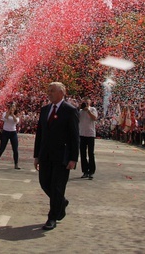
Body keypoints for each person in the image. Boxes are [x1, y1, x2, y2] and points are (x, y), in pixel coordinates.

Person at [33, 81, 79, 231]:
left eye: (52, 90)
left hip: (62, 156)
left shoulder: (70, 110)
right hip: (45, 154)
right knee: (44, 183)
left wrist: (73, 158)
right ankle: (61, 202)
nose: (49, 93)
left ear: (62, 92)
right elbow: (40, 134)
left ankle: (52, 217)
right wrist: (36, 155)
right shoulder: (45, 110)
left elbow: (74, 136)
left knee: (57, 186)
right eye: (48, 90)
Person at [0, 103, 21, 169]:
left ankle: (16, 164)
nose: (12, 108)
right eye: (11, 107)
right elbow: (5, 118)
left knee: (15, 149)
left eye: (13, 107)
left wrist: (13, 114)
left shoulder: (17, 115)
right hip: (5, 132)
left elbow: (16, 121)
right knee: (2, 148)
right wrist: (9, 112)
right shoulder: (5, 113)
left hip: (13, 133)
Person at [78, 98, 99, 180]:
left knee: (91, 153)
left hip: (90, 134)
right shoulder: (80, 111)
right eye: (85, 102)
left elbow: (94, 118)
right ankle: (85, 171)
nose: (86, 104)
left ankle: (91, 171)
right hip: (82, 134)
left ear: (90, 103)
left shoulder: (93, 109)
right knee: (83, 154)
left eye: (87, 102)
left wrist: (88, 111)